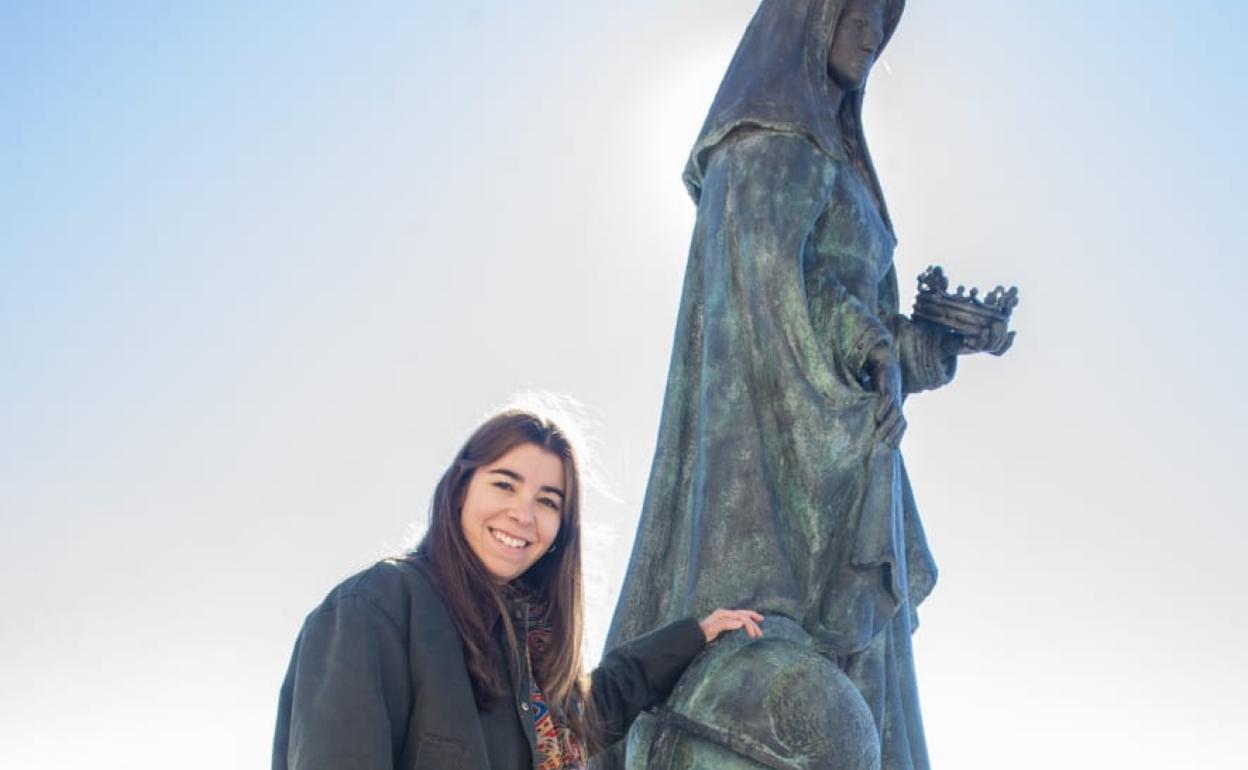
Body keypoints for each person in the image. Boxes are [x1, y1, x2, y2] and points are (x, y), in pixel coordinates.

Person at [599, 1, 1005, 768]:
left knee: (873, 721)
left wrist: (934, 343)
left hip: (852, 464)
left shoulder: (848, 163)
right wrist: (867, 345)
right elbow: (766, 280)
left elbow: (871, 332)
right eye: (857, 15)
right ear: (810, 17)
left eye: (882, 23)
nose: (872, 36)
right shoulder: (766, 139)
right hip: (771, 467)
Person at [272, 409, 763, 770]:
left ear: (560, 531)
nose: (523, 515)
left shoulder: (527, 651)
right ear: (461, 488)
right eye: (504, 485)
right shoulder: (374, 607)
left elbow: (594, 707)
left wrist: (694, 636)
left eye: (547, 502)